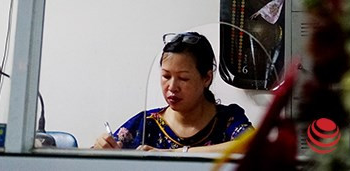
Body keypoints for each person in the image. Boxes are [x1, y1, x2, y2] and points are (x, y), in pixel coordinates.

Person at [93, 31, 253, 153]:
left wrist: (176, 154)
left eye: (183, 78)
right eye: (166, 76)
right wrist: (102, 148)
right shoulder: (147, 124)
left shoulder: (228, 119)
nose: (172, 87)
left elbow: (254, 145)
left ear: (206, 78)